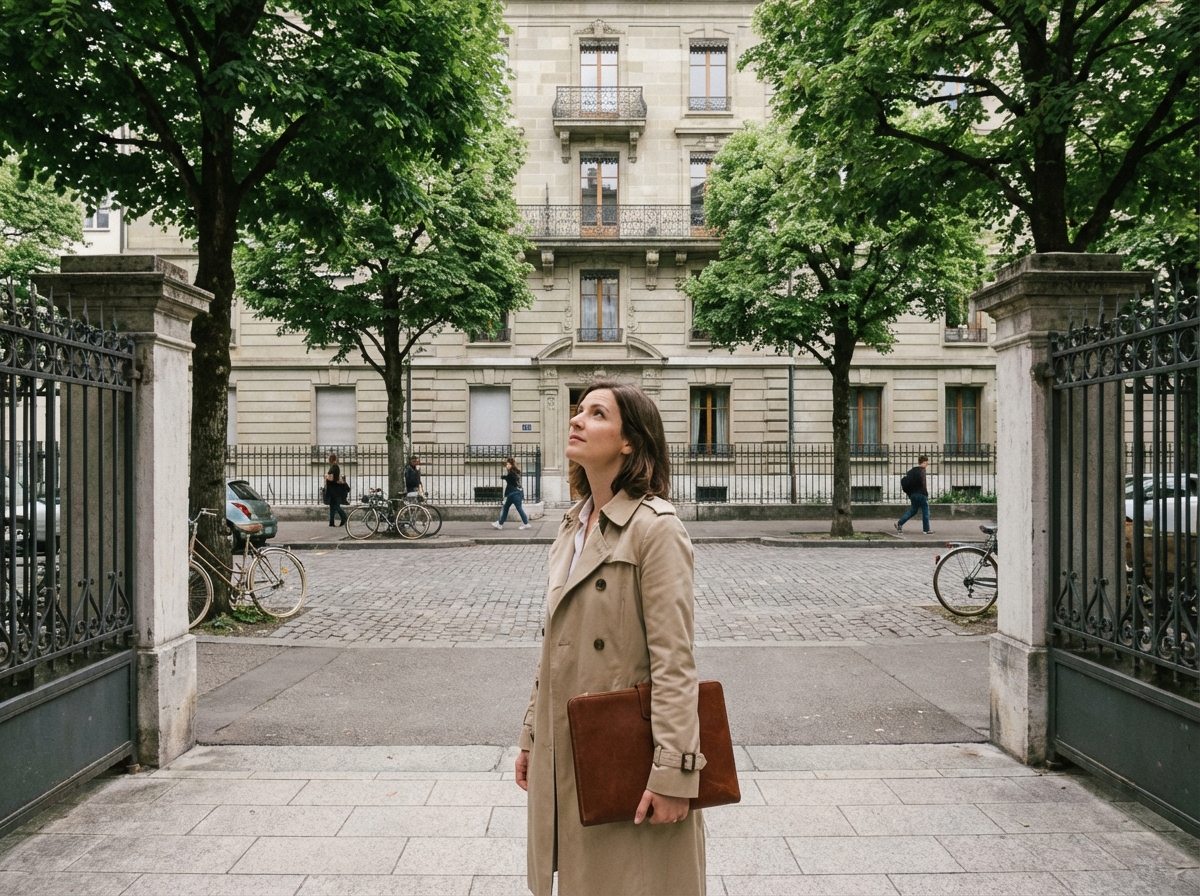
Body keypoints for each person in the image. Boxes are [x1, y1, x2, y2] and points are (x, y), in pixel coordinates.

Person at [514, 380, 705, 896]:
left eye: (597, 413)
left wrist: (674, 773)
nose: (577, 419)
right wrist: (532, 736)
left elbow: (674, 661)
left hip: (626, 756)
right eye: (579, 410)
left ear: (629, 441)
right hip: (569, 743)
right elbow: (554, 647)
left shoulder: (656, 528)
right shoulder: (572, 525)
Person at [896, 454, 933, 534]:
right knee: (926, 511)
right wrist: (926, 494)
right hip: (921, 494)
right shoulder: (922, 471)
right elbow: (923, 484)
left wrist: (911, 493)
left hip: (913, 495)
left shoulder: (912, 471)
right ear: (923, 462)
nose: (926, 465)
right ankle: (926, 530)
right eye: (926, 463)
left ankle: (900, 523)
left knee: (913, 510)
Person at [492, 457, 532, 530]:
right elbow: (512, 480)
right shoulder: (514, 472)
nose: (507, 466)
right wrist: (505, 477)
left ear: (512, 465)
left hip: (512, 494)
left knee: (508, 508)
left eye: (508, 464)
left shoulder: (512, 473)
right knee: (516, 508)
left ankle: (500, 524)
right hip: (516, 493)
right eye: (506, 464)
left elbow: (509, 480)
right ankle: (525, 523)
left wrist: (503, 477)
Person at [325, 453, 347, 527]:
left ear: (331, 459)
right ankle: (331, 522)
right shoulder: (334, 466)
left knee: (336, 506)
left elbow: (332, 478)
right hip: (333, 488)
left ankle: (344, 518)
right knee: (332, 506)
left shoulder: (335, 467)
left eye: (329, 459)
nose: (328, 460)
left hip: (333, 488)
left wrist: (326, 477)